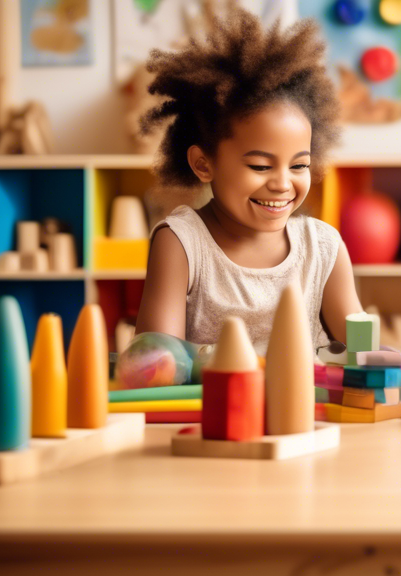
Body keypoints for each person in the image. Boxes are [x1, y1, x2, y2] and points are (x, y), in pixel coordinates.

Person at [134, 8, 361, 356]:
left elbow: (361, 351)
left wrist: (385, 362)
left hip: (304, 411)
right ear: (203, 163)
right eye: (260, 166)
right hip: (212, 409)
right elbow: (155, 358)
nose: (283, 183)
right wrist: (240, 359)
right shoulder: (181, 243)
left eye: (299, 165)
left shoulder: (323, 247)